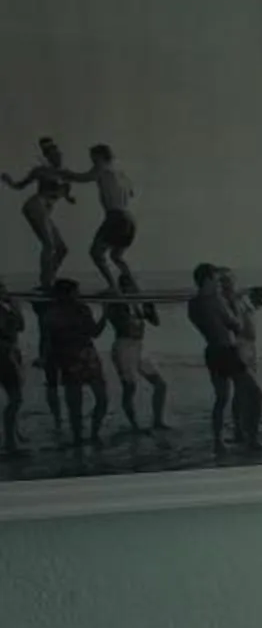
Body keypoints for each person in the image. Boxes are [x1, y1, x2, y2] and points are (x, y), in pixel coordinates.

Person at [189, 261, 262, 453]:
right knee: (255, 394)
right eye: (214, 279)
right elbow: (235, 325)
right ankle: (252, 439)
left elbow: (206, 323)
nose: (217, 283)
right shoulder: (215, 300)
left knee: (221, 399)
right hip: (226, 351)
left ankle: (218, 441)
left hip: (211, 351)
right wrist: (237, 308)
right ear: (206, 279)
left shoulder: (194, 303)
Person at [37, 277, 106, 449]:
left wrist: (106, 313)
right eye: (76, 292)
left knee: (101, 398)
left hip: (86, 355)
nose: (79, 294)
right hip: (69, 357)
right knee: (75, 403)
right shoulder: (52, 312)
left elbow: (94, 332)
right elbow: (47, 339)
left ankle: (93, 434)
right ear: (67, 294)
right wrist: (44, 358)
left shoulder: (81, 309)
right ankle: (79, 438)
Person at [4, 137, 82, 286]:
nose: (57, 157)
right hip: (36, 206)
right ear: (47, 157)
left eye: (59, 155)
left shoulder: (65, 174)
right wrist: (9, 181)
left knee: (62, 249)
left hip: (45, 210)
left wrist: (69, 198)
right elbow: (20, 186)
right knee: (49, 245)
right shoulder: (41, 171)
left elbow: (64, 192)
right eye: (53, 155)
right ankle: (46, 282)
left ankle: (48, 278)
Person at [102, 278, 165, 433]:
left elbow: (155, 322)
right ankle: (134, 425)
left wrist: (149, 307)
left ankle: (158, 421)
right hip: (124, 345)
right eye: (129, 287)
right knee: (130, 387)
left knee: (160, 384)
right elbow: (123, 322)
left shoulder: (136, 302)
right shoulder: (116, 303)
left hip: (139, 345)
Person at [79, 144, 136, 290]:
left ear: (100, 157)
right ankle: (132, 284)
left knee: (96, 253)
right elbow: (131, 193)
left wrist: (61, 174)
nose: (92, 163)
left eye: (94, 159)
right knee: (116, 256)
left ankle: (113, 287)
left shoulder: (102, 169)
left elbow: (83, 178)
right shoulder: (120, 172)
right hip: (130, 218)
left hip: (115, 217)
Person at [0, 288, 26, 456]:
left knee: (14, 397)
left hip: (10, 351)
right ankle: (10, 441)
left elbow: (21, 326)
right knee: (15, 398)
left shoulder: (4, 308)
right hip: (4, 353)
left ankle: (13, 435)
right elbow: (9, 329)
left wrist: (16, 309)